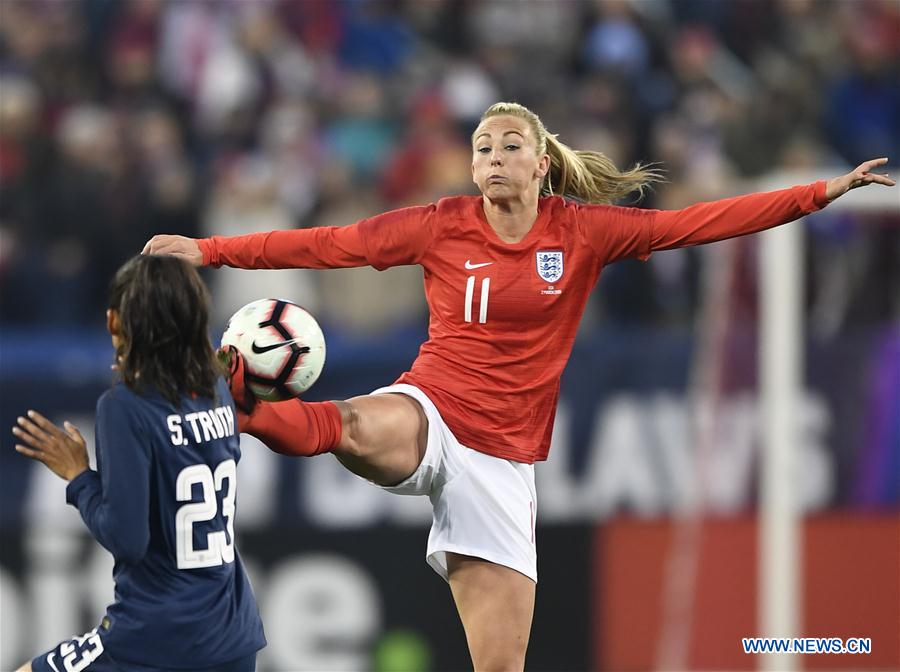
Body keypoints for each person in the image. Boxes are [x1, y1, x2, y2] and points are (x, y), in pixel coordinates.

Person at [143, 102, 894, 670]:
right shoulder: (440, 224)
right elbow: (326, 244)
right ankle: (244, 409)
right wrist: (210, 249)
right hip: (433, 406)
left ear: (540, 164)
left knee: (500, 665)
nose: (495, 156)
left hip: (502, 462)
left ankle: (249, 408)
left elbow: (699, 222)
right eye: (483, 147)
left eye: (510, 145)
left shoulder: (584, 231)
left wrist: (818, 193)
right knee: (358, 425)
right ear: (472, 169)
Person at [11, 255, 266, 672]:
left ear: (114, 320)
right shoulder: (217, 389)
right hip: (234, 632)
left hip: (159, 638)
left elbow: (128, 538)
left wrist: (79, 477)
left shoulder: (125, 406)